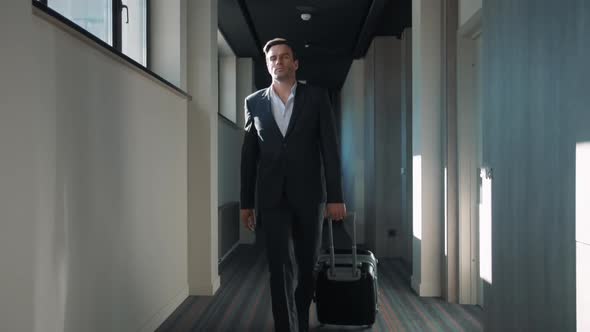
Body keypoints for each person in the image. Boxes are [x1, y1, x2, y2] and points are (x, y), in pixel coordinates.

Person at [240, 38, 346, 332]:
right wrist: (246, 203)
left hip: (310, 196)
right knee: (278, 267)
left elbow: (330, 150)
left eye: (284, 57)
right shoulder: (254, 102)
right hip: (271, 198)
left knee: (307, 265)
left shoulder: (316, 97)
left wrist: (336, 197)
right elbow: (249, 157)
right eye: (273, 58)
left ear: (295, 63)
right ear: (267, 64)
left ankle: (301, 317)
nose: (278, 62)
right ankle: (286, 327)